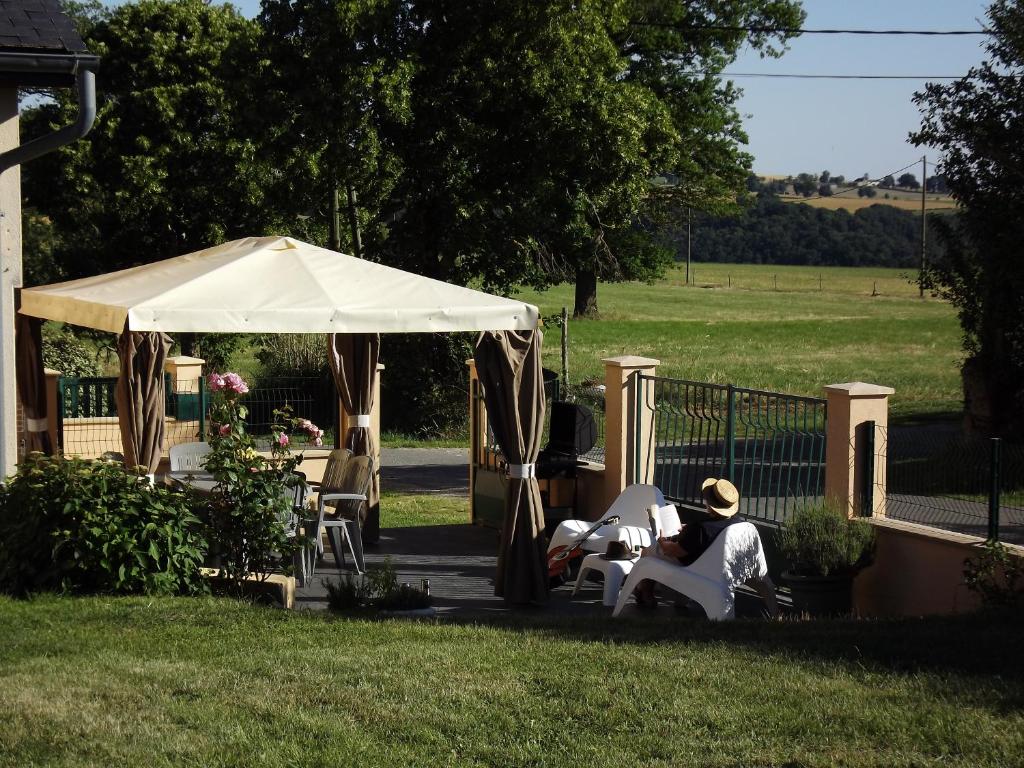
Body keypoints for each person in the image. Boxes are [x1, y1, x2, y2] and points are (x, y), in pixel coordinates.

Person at [634, 478, 777, 616]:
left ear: (709, 503)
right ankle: (776, 613)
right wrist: (688, 531)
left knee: (649, 550)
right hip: (729, 567)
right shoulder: (739, 523)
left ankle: (644, 590)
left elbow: (671, 551)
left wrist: (662, 540)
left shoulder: (701, 529)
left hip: (697, 567)